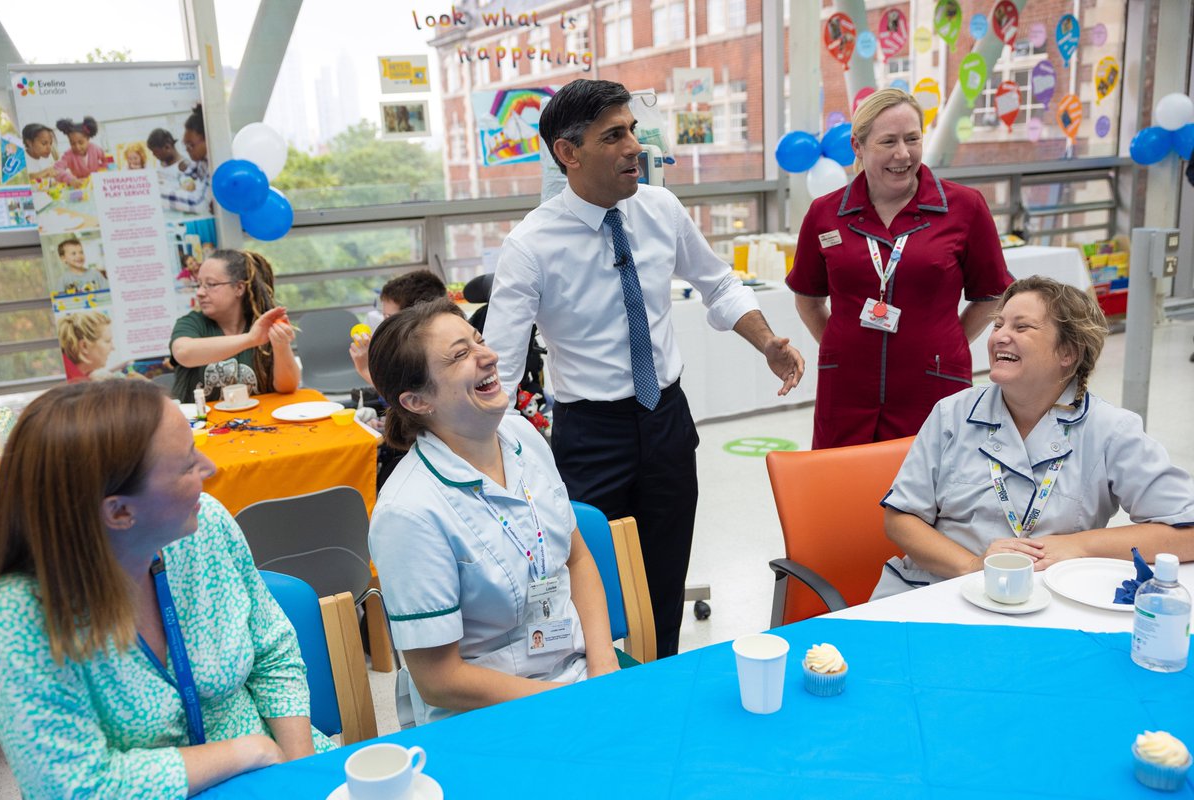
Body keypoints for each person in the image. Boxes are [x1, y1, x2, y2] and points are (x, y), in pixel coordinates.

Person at [483, 79, 806, 658]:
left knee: (664, 576)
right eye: (615, 135)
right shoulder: (531, 246)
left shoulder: (660, 208)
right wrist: (496, 467)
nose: (636, 146)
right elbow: (500, 372)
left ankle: (663, 681)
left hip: (666, 421)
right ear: (569, 152)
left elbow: (719, 284)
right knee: (590, 586)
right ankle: (603, 688)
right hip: (590, 435)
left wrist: (767, 342)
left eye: (633, 129)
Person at [0, 381, 332, 799]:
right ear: (119, 511)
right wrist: (251, 750)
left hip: (274, 775)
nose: (208, 468)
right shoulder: (17, 618)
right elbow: (76, 788)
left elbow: (273, 652)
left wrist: (300, 775)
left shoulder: (203, 524)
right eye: (187, 464)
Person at [367, 298, 619, 725]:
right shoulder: (407, 512)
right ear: (416, 401)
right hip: (482, 714)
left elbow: (574, 557)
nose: (490, 356)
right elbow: (440, 680)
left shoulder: (521, 434)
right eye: (460, 355)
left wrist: (604, 670)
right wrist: (561, 703)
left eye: (478, 341)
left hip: (579, 676)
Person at [873, 277, 1194, 599]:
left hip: (1048, 599)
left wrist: (1078, 546)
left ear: (1067, 352)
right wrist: (971, 565)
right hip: (937, 588)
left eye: (1022, 327)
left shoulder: (1110, 429)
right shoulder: (952, 413)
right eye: (998, 325)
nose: (1000, 336)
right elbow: (901, 517)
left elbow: (1187, 532)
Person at [788, 88, 1012, 450]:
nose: (902, 154)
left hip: (932, 385)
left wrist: (947, 340)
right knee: (844, 493)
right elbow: (808, 299)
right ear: (857, 146)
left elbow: (992, 294)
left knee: (933, 495)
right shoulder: (825, 214)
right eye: (888, 141)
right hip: (846, 391)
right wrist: (841, 345)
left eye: (912, 139)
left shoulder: (964, 208)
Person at [169, 249, 299, 403]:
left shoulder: (262, 325)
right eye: (199, 284)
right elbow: (184, 353)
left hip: (258, 423)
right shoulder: (191, 323)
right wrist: (250, 339)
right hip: (203, 426)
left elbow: (287, 387)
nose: (200, 292)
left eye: (210, 284)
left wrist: (280, 345)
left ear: (239, 288)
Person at [350, 269, 448, 387]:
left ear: (416, 317)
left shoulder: (431, 355)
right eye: (383, 315)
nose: (384, 322)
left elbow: (406, 400)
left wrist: (365, 368)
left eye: (389, 317)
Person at [160, 105, 211, 215]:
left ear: (207, 139)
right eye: (185, 145)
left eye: (191, 145)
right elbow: (189, 172)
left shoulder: (216, 164)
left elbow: (199, 204)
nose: (188, 150)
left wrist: (158, 193)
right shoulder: (202, 161)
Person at [58, 310, 117, 381]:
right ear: (84, 346)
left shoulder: (78, 376)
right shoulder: (70, 384)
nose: (113, 348)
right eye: (107, 341)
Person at [54, 116, 111, 185]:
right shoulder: (68, 155)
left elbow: (107, 159)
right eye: (72, 143)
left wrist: (101, 171)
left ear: (88, 139)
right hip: (79, 185)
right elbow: (57, 169)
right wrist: (70, 179)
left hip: (97, 183)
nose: (77, 147)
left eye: (81, 143)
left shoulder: (95, 149)